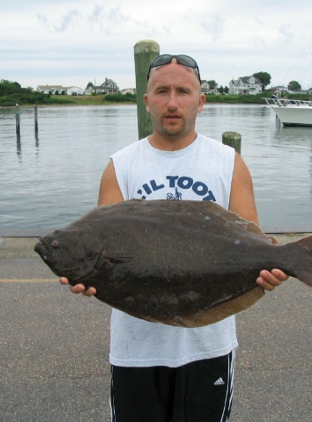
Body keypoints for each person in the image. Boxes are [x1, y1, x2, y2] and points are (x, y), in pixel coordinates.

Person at [60, 54, 288, 422]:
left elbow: (255, 244)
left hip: (208, 346)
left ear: (200, 101)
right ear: (146, 100)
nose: (171, 101)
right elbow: (103, 246)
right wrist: (89, 274)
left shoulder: (229, 163)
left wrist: (273, 268)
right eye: (161, 91)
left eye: (183, 91)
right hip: (136, 350)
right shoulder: (120, 166)